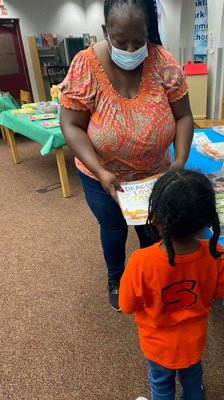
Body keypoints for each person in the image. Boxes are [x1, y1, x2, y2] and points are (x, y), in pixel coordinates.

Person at [59, 0, 194, 311]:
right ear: (105, 31)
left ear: (149, 31)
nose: (131, 49)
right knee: (113, 227)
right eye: (121, 41)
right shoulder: (85, 65)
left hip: (154, 174)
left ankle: (154, 275)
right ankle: (116, 277)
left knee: (152, 228)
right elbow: (70, 124)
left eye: (140, 39)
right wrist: (101, 171)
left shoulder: (165, 64)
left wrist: (180, 161)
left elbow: (184, 117)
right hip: (101, 174)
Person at [119, 169, 224, 400]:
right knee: (193, 381)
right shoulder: (216, 252)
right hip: (194, 341)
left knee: (161, 386)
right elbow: (220, 292)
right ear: (208, 219)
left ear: (157, 219)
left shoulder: (141, 262)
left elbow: (127, 305)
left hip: (158, 345)